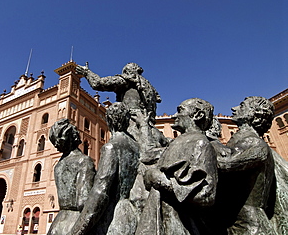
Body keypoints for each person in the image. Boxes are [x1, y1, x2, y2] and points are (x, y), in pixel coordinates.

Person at [142, 98, 218, 234]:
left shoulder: (201, 144)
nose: (174, 116)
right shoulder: (176, 143)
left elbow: (207, 195)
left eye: (180, 110)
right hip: (161, 219)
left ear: (197, 115)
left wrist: (163, 181)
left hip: (183, 225)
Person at [69, 102, 140, 235]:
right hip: (131, 213)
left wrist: (76, 230)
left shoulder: (111, 147)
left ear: (109, 121)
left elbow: (100, 192)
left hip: (113, 217)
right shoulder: (136, 147)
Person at [215, 96, 275, 234]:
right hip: (236, 223)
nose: (234, 108)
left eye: (242, 106)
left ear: (255, 114)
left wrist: (205, 141)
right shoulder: (243, 142)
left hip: (249, 227)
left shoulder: (254, 143)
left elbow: (225, 164)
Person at [47, 119, 96, 235]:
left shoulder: (58, 166)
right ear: (74, 136)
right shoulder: (84, 161)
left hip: (57, 224)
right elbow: (83, 201)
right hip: (74, 222)